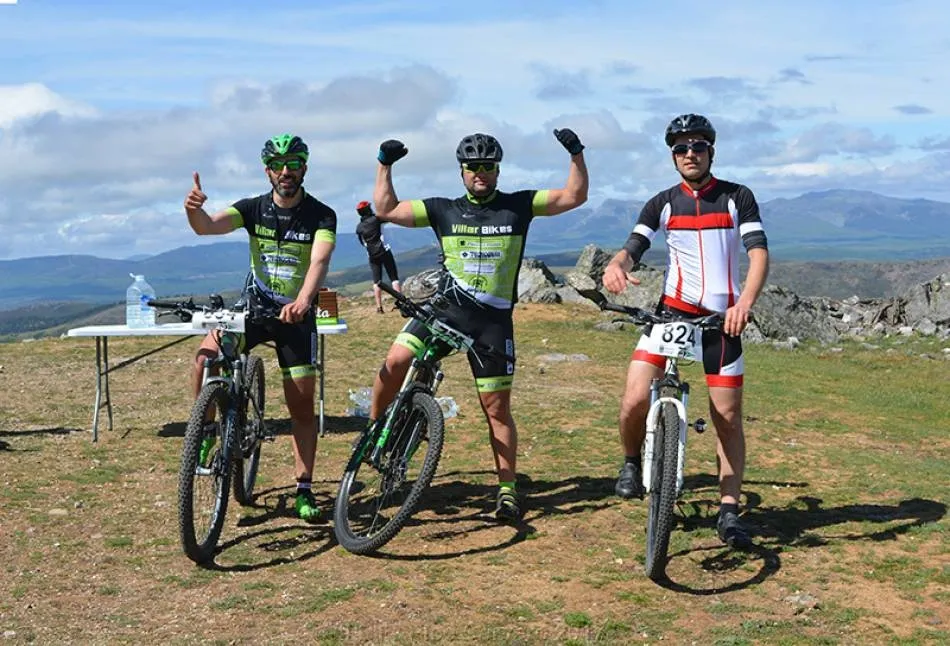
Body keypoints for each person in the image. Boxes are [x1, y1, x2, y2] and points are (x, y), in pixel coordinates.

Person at [369, 128, 589, 522]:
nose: (480, 173)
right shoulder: (442, 209)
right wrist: (384, 164)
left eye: (487, 166)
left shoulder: (519, 205)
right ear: (462, 171)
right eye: (472, 167)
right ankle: (374, 432)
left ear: (498, 170)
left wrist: (576, 153)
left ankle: (507, 491)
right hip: (444, 312)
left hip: (492, 325)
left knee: (496, 410)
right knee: (395, 361)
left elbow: (574, 196)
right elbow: (386, 209)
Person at [601, 114, 769, 549]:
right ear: (673, 156)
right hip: (671, 315)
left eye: (698, 146)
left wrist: (744, 304)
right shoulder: (662, 203)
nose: (689, 154)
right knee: (634, 398)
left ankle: (728, 511)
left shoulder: (736, 197)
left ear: (711, 151)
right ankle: (631, 461)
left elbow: (758, 253)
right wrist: (617, 265)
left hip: (721, 321)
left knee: (727, 418)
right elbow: (634, 246)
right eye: (681, 148)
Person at [182, 133, 337, 522]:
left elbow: (319, 260)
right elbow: (206, 226)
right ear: (267, 171)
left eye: (293, 164)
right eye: (277, 165)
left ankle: (304, 489)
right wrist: (193, 210)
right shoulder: (252, 209)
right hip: (253, 308)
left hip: (295, 316)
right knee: (205, 358)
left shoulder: (322, 215)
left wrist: (304, 301)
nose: (286, 172)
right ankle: (206, 432)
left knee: (301, 406)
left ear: (304, 168)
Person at [355, 200, 401, 313]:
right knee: (394, 278)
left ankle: (379, 308)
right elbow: (389, 217)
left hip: (372, 255)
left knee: (377, 281)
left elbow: (362, 243)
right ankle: (401, 303)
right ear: (368, 209)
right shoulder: (377, 220)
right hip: (384, 251)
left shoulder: (359, 227)